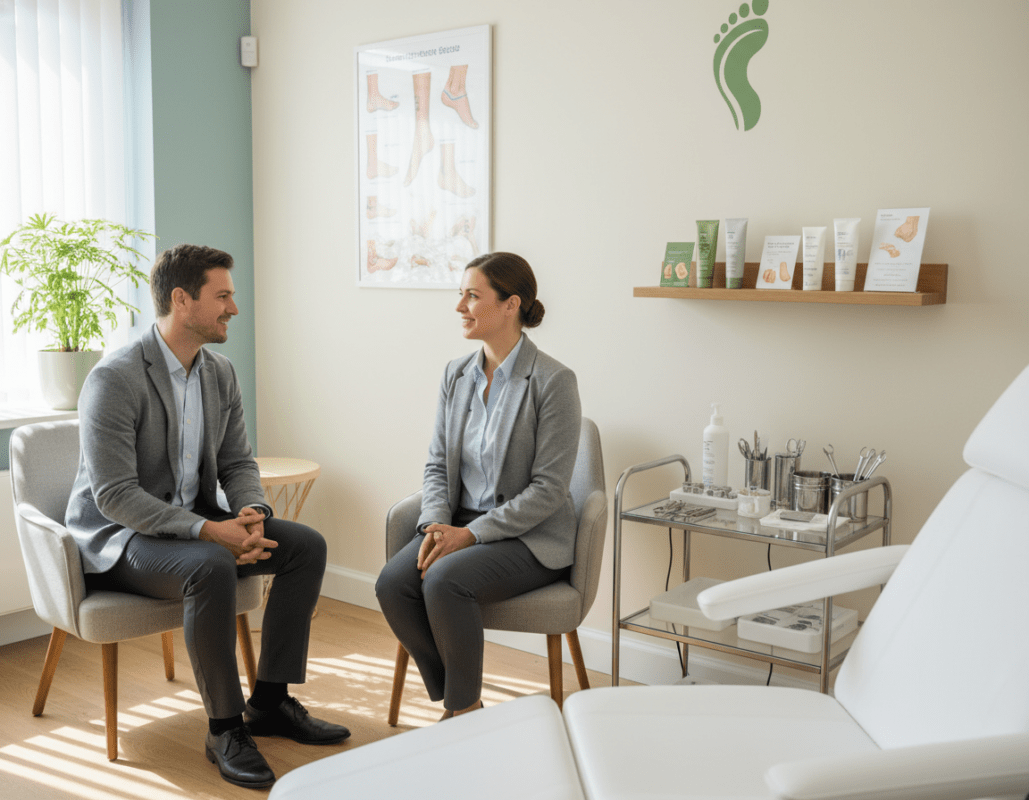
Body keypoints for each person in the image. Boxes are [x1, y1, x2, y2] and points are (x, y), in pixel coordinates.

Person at [65, 245, 349, 789]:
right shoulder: (114, 378)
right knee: (210, 567)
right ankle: (224, 728)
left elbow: (238, 460)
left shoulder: (219, 373)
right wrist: (207, 531)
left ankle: (269, 700)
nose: (233, 309)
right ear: (181, 299)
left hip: (195, 521)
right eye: (223, 296)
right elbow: (114, 495)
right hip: (121, 536)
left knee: (305, 546)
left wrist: (251, 512)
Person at [375, 251, 582, 719]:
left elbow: (548, 490)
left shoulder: (553, 381)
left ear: (511, 305)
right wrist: (434, 526)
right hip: (458, 523)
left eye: (472, 295)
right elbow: (436, 465)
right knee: (393, 584)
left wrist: (469, 535)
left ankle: (460, 712)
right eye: (460, 294)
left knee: (445, 581)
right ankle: (464, 702)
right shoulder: (456, 373)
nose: (460, 306)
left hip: (529, 537)